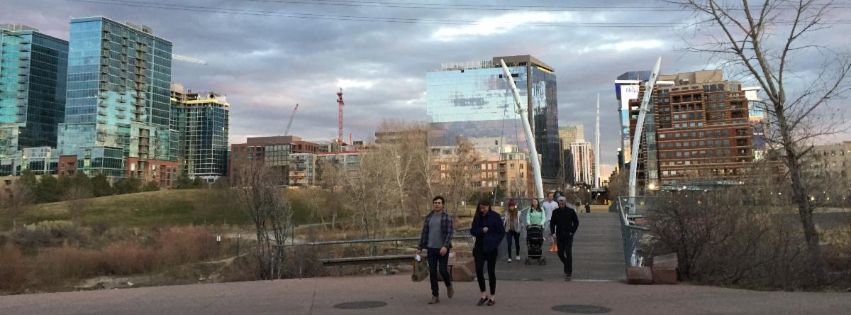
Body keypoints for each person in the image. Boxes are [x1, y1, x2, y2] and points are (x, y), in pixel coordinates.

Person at [417, 196, 454, 304]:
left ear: (443, 205)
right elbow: (424, 233)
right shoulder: (429, 217)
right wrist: (420, 247)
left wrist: (445, 246)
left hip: (442, 249)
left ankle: (449, 285)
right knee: (432, 272)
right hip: (431, 249)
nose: (437, 204)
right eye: (435, 203)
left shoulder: (447, 217)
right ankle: (435, 295)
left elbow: (449, 233)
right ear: (433, 204)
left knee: (443, 270)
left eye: (439, 203)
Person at [471, 200, 504, 306]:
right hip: (479, 248)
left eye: (484, 207)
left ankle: (492, 297)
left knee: (491, 272)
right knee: (479, 270)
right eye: (481, 208)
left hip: (491, 248)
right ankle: (483, 295)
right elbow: (472, 231)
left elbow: (501, 232)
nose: (483, 209)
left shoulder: (495, 216)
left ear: (489, 206)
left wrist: (494, 242)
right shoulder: (477, 217)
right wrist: (481, 230)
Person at [550, 196, 579, 280]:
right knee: (560, 253)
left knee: (568, 252)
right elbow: (552, 223)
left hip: (568, 235)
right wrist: (553, 233)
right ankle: (566, 264)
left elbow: (576, 222)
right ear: (558, 203)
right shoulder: (555, 212)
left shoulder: (571, 211)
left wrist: (572, 231)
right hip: (559, 235)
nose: (561, 203)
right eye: (560, 202)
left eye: (563, 202)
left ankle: (569, 271)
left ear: (565, 202)